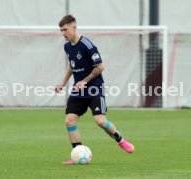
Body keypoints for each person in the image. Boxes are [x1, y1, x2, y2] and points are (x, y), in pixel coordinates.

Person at [55, 15, 134, 165]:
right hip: (79, 90)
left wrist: (84, 81)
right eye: (61, 31)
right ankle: (78, 153)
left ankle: (121, 140)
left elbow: (100, 67)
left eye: (65, 30)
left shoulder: (87, 45)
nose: (63, 33)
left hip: (94, 89)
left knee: (100, 121)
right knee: (69, 120)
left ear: (74, 27)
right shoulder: (67, 46)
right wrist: (63, 83)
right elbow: (72, 65)